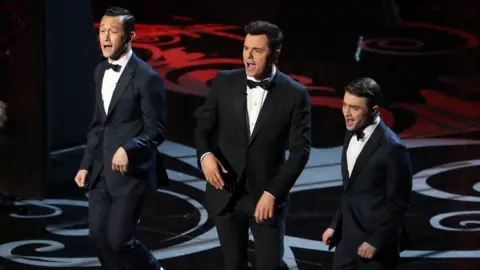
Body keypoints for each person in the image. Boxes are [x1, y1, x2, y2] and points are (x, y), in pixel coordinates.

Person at [194, 20, 311, 270]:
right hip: (226, 193)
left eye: (257, 50)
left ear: (275, 54)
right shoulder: (224, 82)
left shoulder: (295, 94)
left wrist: (272, 193)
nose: (248, 55)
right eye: (245, 48)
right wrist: (205, 156)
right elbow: (203, 128)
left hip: (265, 198)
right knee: (233, 264)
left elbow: (300, 152)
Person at [74, 7, 166, 270]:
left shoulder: (147, 78)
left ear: (129, 36)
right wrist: (85, 163)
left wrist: (129, 148)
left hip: (131, 174)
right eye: (101, 31)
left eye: (112, 32)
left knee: (118, 240)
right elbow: (98, 124)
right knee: (97, 236)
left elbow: (157, 130)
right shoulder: (100, 71)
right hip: (101, 170)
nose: (105, 37)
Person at [322, 77, 412, 269]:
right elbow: (350, 190)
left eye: (355, 108)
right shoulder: (350, 132)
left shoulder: (393, 148)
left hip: (374, 250)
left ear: (374, 111)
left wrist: (376, 241)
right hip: (345, 244)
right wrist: (335, 224)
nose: (347, 113)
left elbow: (398, 204)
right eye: (345, 105)